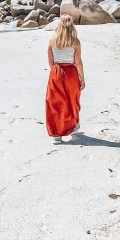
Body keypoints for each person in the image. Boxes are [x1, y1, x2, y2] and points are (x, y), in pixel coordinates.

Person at [46, 14, 85, 143]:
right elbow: (78, 62)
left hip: (56, 72)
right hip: (71, 74)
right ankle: (73, 125)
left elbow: (50, 62)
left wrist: (56, 72)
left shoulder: (52, 40)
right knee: (72, 101)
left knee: (55, 103)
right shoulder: (75, 41)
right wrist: (82, 79)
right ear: (71, 25)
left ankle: (57, 135)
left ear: (59, 24)